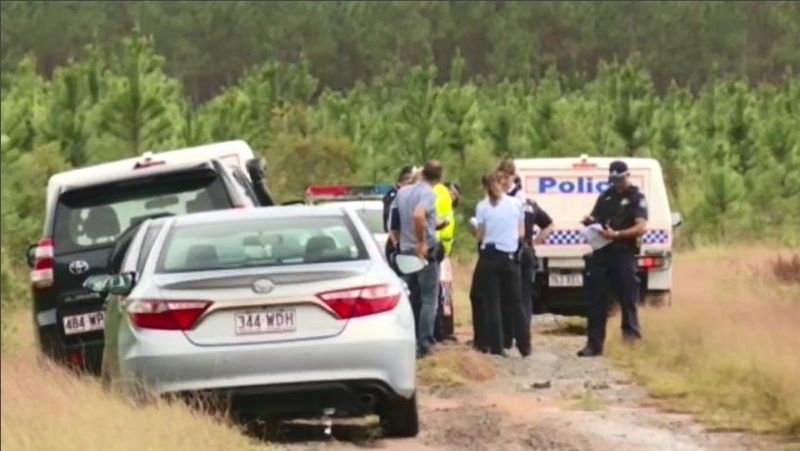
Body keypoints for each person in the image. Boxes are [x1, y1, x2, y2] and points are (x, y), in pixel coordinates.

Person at [578, 160, 647, 357]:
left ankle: (631, 342)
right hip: (602, 253)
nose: (617, 183)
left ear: (627, 176)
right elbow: (596, 218)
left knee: (627, 299)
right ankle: (594, 345)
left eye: (620, 179)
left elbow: (641, 226)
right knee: (596, 300)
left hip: (623, 253)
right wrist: (590, 222)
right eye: (614, 179)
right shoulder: (606, 196)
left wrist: (617, 234)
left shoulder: (636, 197)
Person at [389, 160, 445, 358]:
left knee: (411, 298)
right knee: (429, 299)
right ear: (439, 177)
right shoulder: (428, 193)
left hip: (405, 251)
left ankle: (409, 340)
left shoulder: (402, 192)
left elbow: (394, 223)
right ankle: (425, 343)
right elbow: (419, 215)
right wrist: (422, 242)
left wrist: (399, 243)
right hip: (424, 253)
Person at [474, 170, 530, 357]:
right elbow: (521, 233)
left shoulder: (482, 206)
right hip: (510, 257)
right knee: (516, 302)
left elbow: (480, 235)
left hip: (490, 256)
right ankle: (524, 345)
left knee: (493, 303)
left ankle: (497, 347)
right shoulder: (516, 204)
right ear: (502, 184)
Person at [383, 165, 417, 267]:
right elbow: (391, 224)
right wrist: (397, 245)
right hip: (398, 245)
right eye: (412, 182)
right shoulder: (394, 196)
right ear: (405, 180)